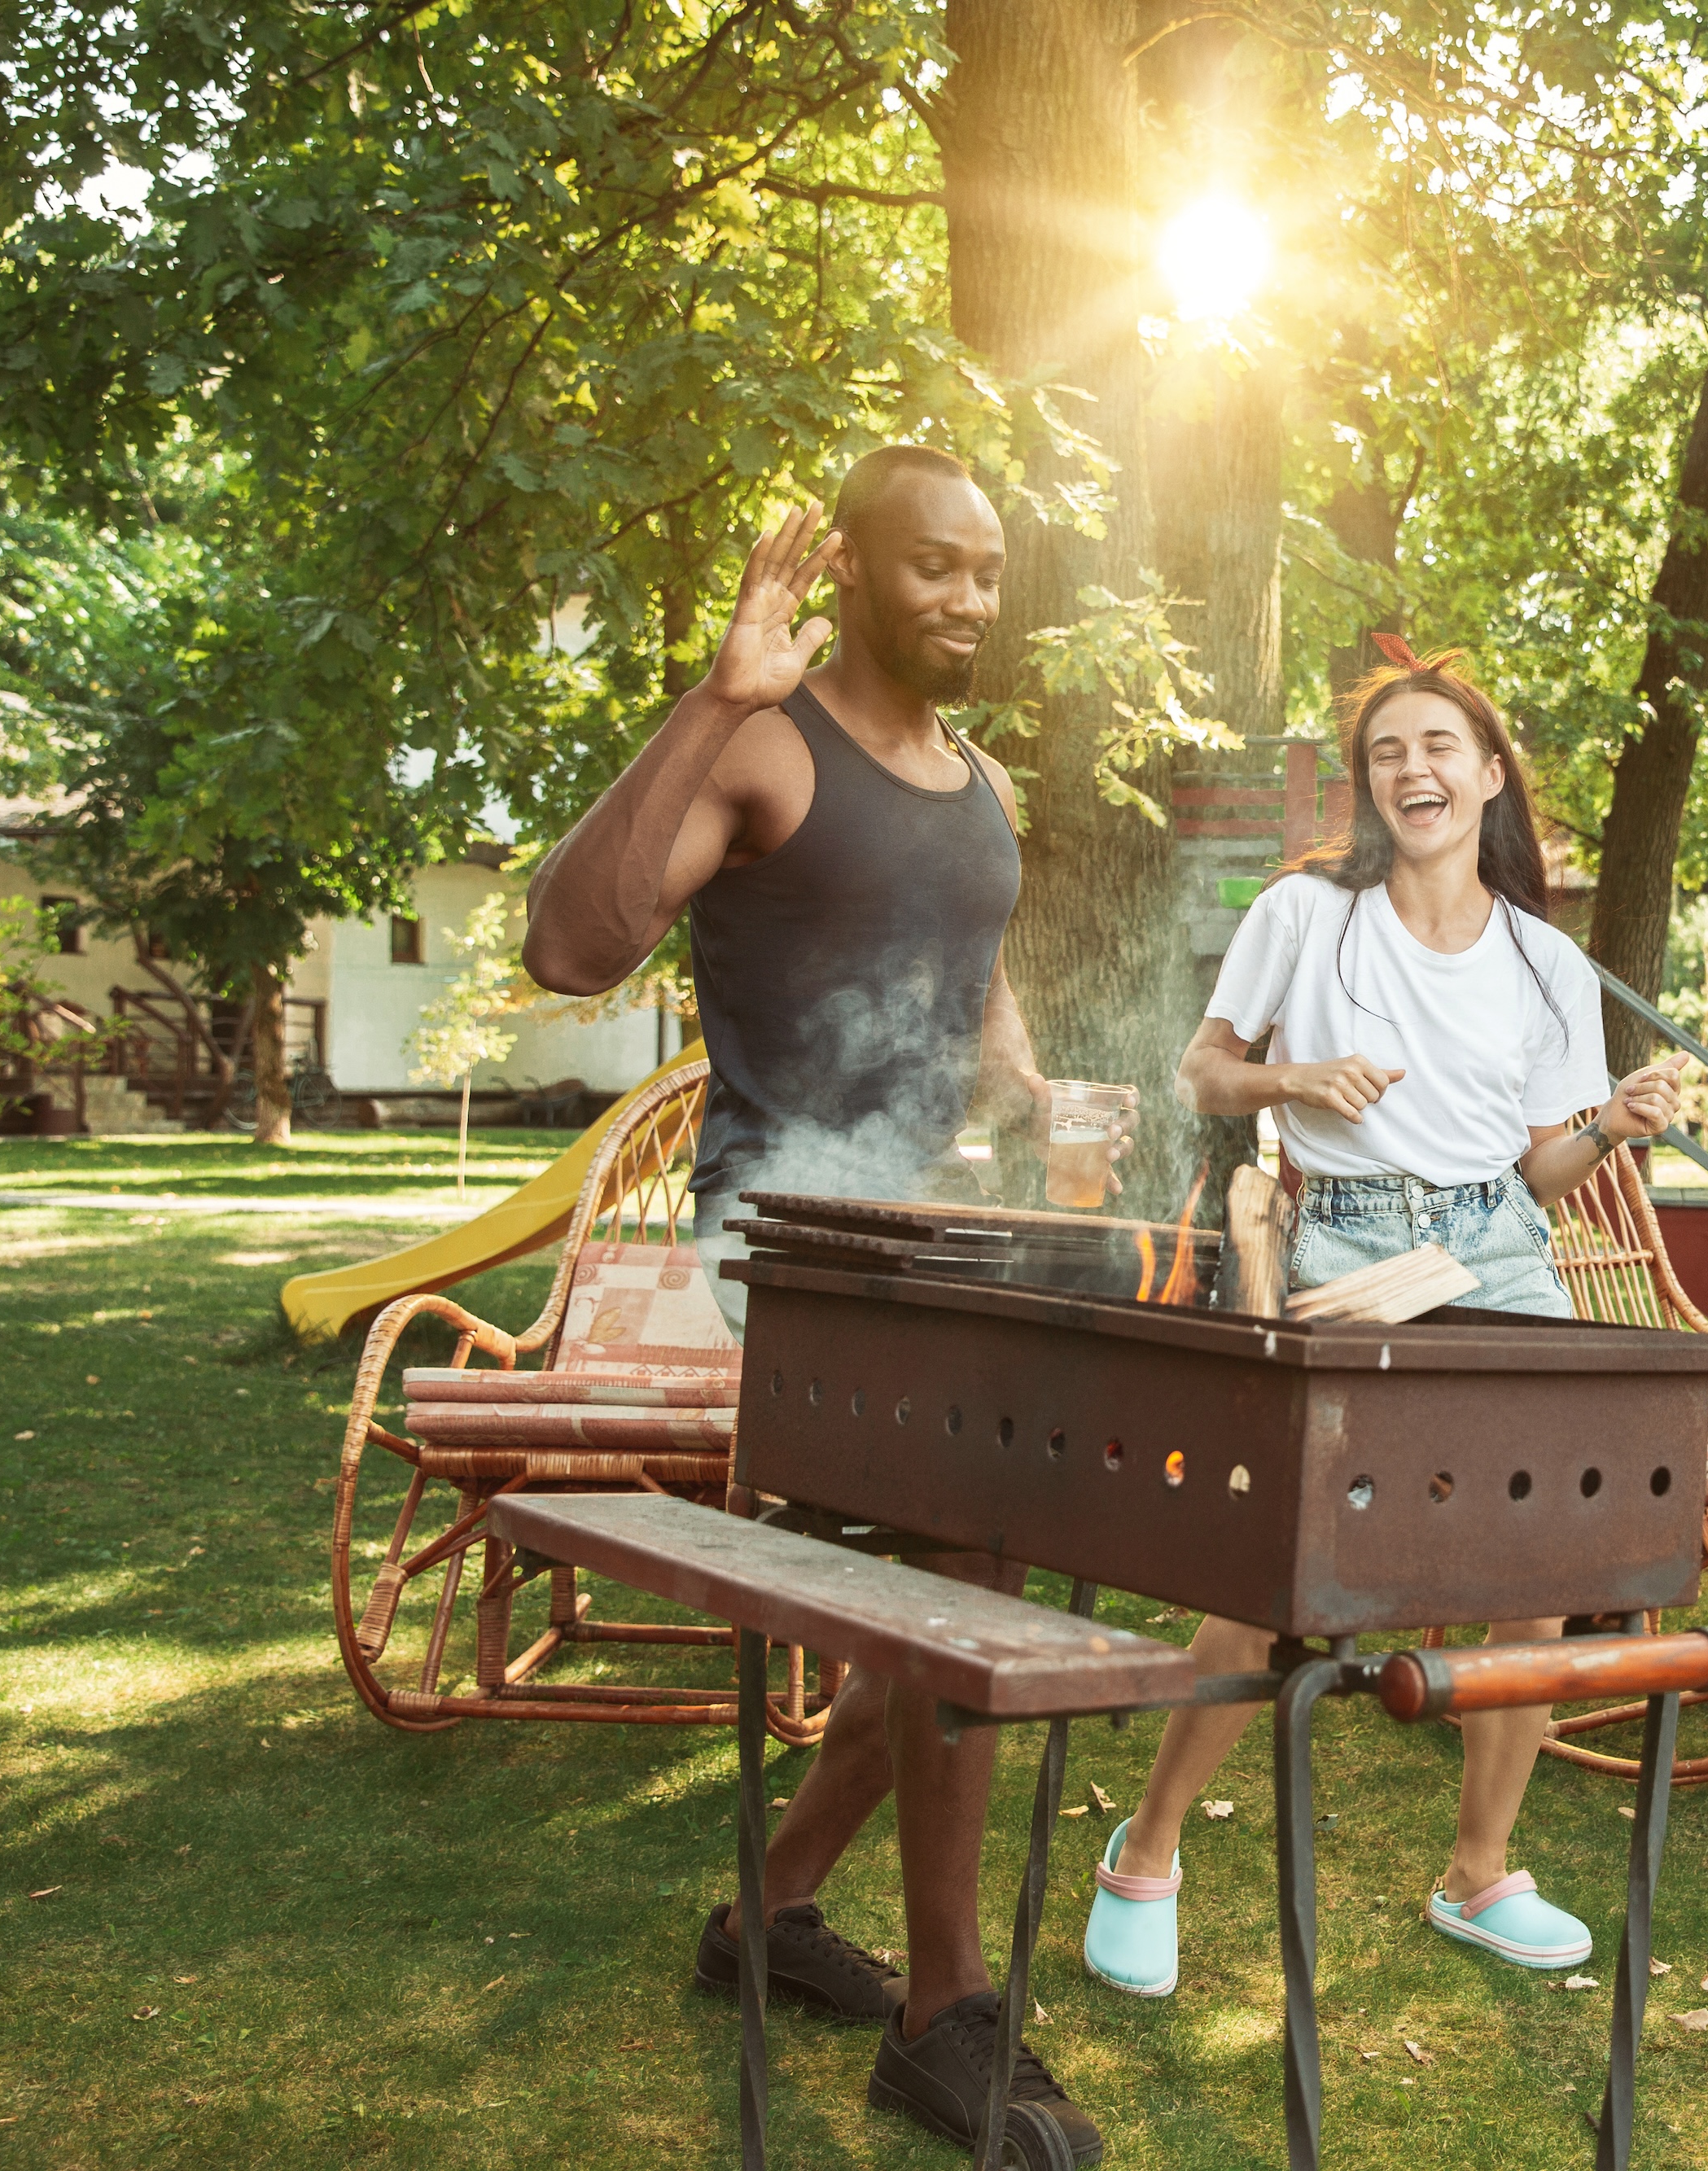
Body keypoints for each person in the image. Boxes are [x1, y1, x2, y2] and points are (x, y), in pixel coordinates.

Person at [523, 445, 1104, 2161]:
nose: (972, 599)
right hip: (772, 1233)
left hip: (922, 1236)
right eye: (934, 565)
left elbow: (974, 1003)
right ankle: (943, 2015)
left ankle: (768, 1910)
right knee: (970, 1552)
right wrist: (713, 699)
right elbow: (571, 948)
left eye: (987, 570)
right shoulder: (769, 746)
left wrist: (1032, 1096)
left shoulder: (981, 783)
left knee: (966, 1557)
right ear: (847, 567)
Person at [1080, 641, 1684, 1996]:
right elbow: (1201, 1074)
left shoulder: (1546, 962)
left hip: (1500, 1248)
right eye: (1387, 753)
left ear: (1489, 775)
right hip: (1348, 1240)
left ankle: (1480, 1872)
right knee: (1288, 1571)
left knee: (1538, 1570)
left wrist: (1610, 1123)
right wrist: (1298, 1079)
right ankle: (1147, 1849)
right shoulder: (1305, 915)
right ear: (1369, 785)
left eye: (1438, 747)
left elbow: (1537, 1172)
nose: (1414, 769)